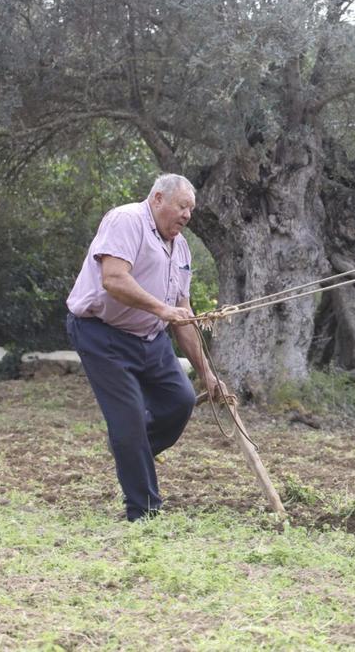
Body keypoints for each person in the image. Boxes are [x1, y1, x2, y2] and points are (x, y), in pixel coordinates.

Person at [65, 173, 221, 521]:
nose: (187, 215)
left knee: (179, 401)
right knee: (130, 419)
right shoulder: (126, 220)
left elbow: (183, 314)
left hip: (151, 338)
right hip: (101, 334)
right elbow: (114, 279)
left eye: (191, 210)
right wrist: (162, 310)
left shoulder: (180, 247)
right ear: (157, 199)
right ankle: (144, 510)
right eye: (182, 206)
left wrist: (207, 373)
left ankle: (129, 449)